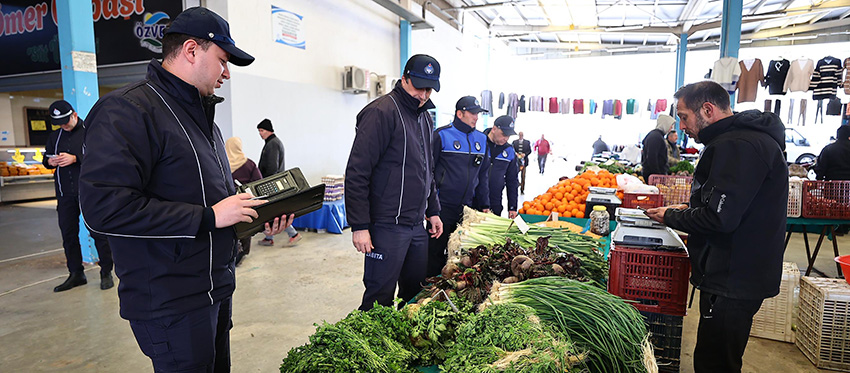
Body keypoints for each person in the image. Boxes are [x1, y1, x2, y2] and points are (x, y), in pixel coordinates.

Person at [79, 7, 294, 372]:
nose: (227, 73)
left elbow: (214, 198)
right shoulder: (128, 111)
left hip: (214, 286)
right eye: (223, 61)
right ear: (192, 50)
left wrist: (255, 214)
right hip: (170, 301)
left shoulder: (204, 120)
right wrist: (210, 216)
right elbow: (104, 210)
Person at [646, 81, 787, 373]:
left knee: (715, 363)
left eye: (684, 116)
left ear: (707, 110)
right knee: (718, 355)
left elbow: (720, 219)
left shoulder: (737, 146)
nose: (681, 125)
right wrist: (689, 210)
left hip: (733, 277)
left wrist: (670, 217)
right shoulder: (743, 140)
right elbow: (732, 205)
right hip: (740, 271)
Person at [345, 54, 444, 311]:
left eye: (429, 89)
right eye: (419, 87)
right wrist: (359, 225)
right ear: (404, 79)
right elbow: (357, 172)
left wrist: (432, 210)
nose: (423, 95)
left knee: (414, 295)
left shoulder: (425, 118)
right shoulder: (380, 113)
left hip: (416, 226)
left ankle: (402, 348)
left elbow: (427, 170)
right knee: (379, 297)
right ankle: (371, 348)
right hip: (386, 226)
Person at [43, 100, 114, 292]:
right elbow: (45, 160)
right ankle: (76, 273)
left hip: (89, 192)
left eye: (66, 121)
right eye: (60, 123)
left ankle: (106, 270)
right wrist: (50, 161)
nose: (64, 126)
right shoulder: (54, 136)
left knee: (97, 231)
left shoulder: (90, 132)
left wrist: (75, 158)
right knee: (68, 233)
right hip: (65, 193)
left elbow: (103, 157)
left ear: (74, 115)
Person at [429, 96, 491, 277]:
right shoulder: (441, 135)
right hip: (441, 208)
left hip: (467, 209)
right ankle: (429, 290)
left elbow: (483, 176)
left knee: (460, 256)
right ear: (460, 113)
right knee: (434, 253)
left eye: (478, 113)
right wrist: (430, 207)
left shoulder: (482, 139)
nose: (476, 117)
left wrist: (485, 205)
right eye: (472, 113)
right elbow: (428, 174)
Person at [256, 118, 302, 247]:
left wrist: (265, 183)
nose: (260, 133)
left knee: (275, 212)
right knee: (272, 212)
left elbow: (272, 166)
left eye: (262, 130)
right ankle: (269, 237)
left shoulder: (273, 144)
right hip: (273, 181)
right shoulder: (271, 142)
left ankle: (293, 234)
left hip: (272, 183)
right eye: (259, 131)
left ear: (269, 131)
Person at [225, 137, 263, 266]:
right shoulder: (249, 164)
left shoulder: (222, 164)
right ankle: (243, 251)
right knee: (246, 226)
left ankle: (231, 251)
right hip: (246, 201)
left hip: (227, 204)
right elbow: (259, 181)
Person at [484, 115, 519, 218]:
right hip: (473, 201)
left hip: (495, 203)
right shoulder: (479, 143)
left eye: (508, 136)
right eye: (503, 134)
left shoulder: (509, 151)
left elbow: (512, 180)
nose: (506, 138)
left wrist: (512, 207)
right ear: (494, 129)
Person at [641, 113, 675, 179]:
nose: (670, 128)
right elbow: (652, 158)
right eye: (670, 126)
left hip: (653, 175)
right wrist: (657, 176)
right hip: (653, 176)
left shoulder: (656, 135)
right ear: (665, 124)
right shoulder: (656, 137)